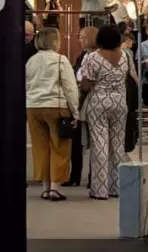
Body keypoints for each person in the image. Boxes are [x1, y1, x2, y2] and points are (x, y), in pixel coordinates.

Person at [79, 24, 138, 200]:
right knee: (117, 145)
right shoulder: (125, 57)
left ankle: (100, 189)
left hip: (99, 102)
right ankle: (116, 186)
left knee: (100, 144)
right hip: (120, 103)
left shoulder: (93, 57)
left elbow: (86, 83)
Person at [25, 28, 79, 201]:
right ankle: (55, 187)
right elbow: (70, 87)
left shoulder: (31, 61)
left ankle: (45, 187)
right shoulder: (60, 60)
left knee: (40, 147)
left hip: (33, 107)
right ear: (54, 41)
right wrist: (75, 111)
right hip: (56, 106)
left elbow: (25, 84)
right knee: (59, 146)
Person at [63, 26, 97, 188]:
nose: (80, 40)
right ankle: (74, 175)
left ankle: (93, 176)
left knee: (94, 142)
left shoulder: (97, 56)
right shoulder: (81, 55)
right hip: (79, 102)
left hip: (91, 102)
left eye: (84, 37)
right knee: (76, 142)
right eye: (80, 37)